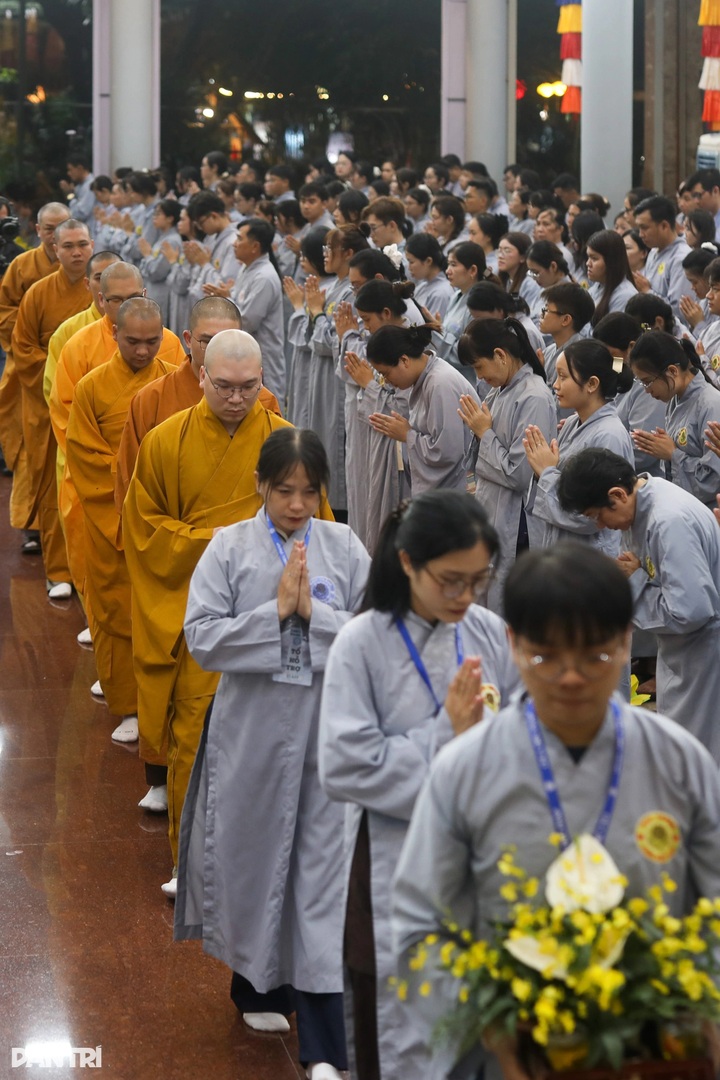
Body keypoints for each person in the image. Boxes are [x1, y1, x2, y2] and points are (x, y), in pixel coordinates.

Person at [392, 541, 720, 1080]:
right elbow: (417, 928)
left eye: (595, 654)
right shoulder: (465, 769)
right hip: (508, 1054)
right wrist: (493, 1026)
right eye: (546, 656)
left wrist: (693, 1009)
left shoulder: (679, 762)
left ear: (625, 640)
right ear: (513, 644)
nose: (571, 677)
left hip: (656, 1049)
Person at [176, 428, 369, 1080]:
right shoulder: (228, 548)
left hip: (324, 723)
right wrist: (273, 615)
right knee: (252, 847)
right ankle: (254, 983)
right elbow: (202, 639)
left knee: (318, 858)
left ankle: (308, 984)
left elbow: (372, 636)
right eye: (284, 491)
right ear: (261, 486)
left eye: (309, 492)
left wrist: (314, 614)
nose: (296, 504)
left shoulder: (343, 547)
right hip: (254, 726)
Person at [319, 490, 520, 1080]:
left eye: (478, 581)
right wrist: (445, 735)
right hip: (389, 859)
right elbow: (344, 765)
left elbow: (519, 736)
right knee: (395, 1032)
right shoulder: (362, 642)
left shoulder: (488, 632)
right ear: (407, 563)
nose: (465, 597)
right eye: (449, 581)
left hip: (477, 860)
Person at [122, 330, 324, 896]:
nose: (237, 399)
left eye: (250, 387)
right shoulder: (165, 442)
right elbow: (145, 530)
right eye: (226, 386)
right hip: (203, 618)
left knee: (276, 745)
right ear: (201, 376)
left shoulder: (287, 442)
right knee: (197, 742)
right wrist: (222, 543)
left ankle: (272, 863)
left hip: (278, 617)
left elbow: (319, 526)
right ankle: (192, 861)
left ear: (265, 383)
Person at [558, 448, 720, 761]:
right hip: (683, 649)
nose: (602, 526)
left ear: (616, 494)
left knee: (696, 753)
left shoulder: (668, 521)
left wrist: (636, 580)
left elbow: (691, 611)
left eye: (597, 516)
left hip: (705, 651)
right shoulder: (641, 506)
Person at [66, 298, 177, 744]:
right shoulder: (93, 387)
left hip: (162, 513)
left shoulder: (172, 380)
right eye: (133, 341)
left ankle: (164, 700)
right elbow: (83, 454)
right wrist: (125, 489)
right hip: (111, 514)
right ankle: (128, 704)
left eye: (153, 341)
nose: (144, 351)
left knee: (161, 611)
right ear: (114, 333)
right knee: (116, 609)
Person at [49, 262, 185, 618]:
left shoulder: (171, 350)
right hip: (105, 493)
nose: (143, 351)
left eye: (150, 342)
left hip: (163, 493)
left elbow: (186, 423)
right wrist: (123, 478)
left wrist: (158, 482)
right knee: (110, 593)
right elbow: (69, 423)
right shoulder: (80, 354)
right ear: (102, 303)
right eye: (116, 300)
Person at [11, 219, 94, 598]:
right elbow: (23, 347)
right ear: (54, 250)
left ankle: (91, 570)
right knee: (51, 485)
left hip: (96, 403)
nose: (77, 252)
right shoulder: (39, 292)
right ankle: (58, 570)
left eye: (83, 244)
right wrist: (61, 371)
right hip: (49, 402)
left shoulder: (102, 290)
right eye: (69, 246)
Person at [457, 318, 556, 611]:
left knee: (510, 606)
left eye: (478, 367)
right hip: (495, 512)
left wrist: (483, 432)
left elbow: (520, 474)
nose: (479, 375)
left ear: (500, 355)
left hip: (518, 522)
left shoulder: (534, 396)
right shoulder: (501, 388)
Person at [0, 202, 70, 552]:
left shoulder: (84, 270)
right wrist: (43, 356)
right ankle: (33, 526)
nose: (57, 237)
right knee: (32, 448)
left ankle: (70, 523)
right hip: (32, 370)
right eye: (49, 229)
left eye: (64, 229)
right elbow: (5, 310)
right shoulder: (22, 265)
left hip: (77, 374)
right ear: (38, 231)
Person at [523, 339, 635, 555]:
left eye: (563, 377)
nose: (555, 384)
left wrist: (546, 472)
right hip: (564, 546)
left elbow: (594, 516)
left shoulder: (609, 435)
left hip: (590, 554)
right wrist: (542, 470)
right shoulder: (575, 422)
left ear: (592, 384)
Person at [366, 323, 478, 494]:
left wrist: (407, 435)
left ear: (404, 360)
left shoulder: (440, 384)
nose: (385, 381)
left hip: (455, 492)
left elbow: (447, 452)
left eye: (385, 373)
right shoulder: (427, 377)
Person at [627, 330, 720, 508]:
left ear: (672, 371)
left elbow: (712, 482)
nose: (646, 390)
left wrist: (672, 454)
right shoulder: (675, 399)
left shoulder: (712, 406)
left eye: (647, 382)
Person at [592, 312, 666, 476]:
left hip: (637, 479)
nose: (606, 361)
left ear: (631, 347)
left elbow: (642, 450)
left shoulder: (648, 386)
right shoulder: (618, 367)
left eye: (609, 354)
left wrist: (593, 451)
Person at [231, 218, 285, 403]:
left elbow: (247, 321)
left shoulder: (265, 277)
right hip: (246, 353)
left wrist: (225, 305)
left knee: (266, 407)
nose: (234, 244)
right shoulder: (247, 269)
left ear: (255, 246)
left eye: (239, 239)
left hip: (264, 355)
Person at [436, 241, 492, 379]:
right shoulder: (456, 295)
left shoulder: (480, 303)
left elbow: (470, 353)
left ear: (472, 270)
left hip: (469, 379)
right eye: (448, 264)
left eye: (454, 265)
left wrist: (439, 334)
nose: (448, 270)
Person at [633, 195, 691, 321]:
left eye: (644, 228)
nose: (640, 234)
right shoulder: (653, 251)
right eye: (639, 228)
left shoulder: (681, 258)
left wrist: (647, 291)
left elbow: (679, 312)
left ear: (664, 226)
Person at [185, 191, 241, 307]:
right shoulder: (212, 239)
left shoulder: (233, 242)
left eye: (201, 223)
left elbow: (224, 285)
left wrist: (205, 264)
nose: (200, 228)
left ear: (214, 216)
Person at [137, 199, 184, 322]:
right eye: (154, 214)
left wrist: (147, 256)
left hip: (161, 294)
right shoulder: (162, 238)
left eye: (158, 214)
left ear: (170, 218)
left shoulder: (172, 241)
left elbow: (157, 272)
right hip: (154, 292)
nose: (154, 217)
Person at [585, 228, 637, 324]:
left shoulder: (625, 295)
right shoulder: (597, 286)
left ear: (611, 261)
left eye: (594, 258)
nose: (588, 263)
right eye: (588, 257)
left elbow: (608, 336)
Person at [404, 233, 454, 318]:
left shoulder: (440, 293)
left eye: (411, 262)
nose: (409, 268)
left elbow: (435, 329)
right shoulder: (423, 285)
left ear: (428, 261)